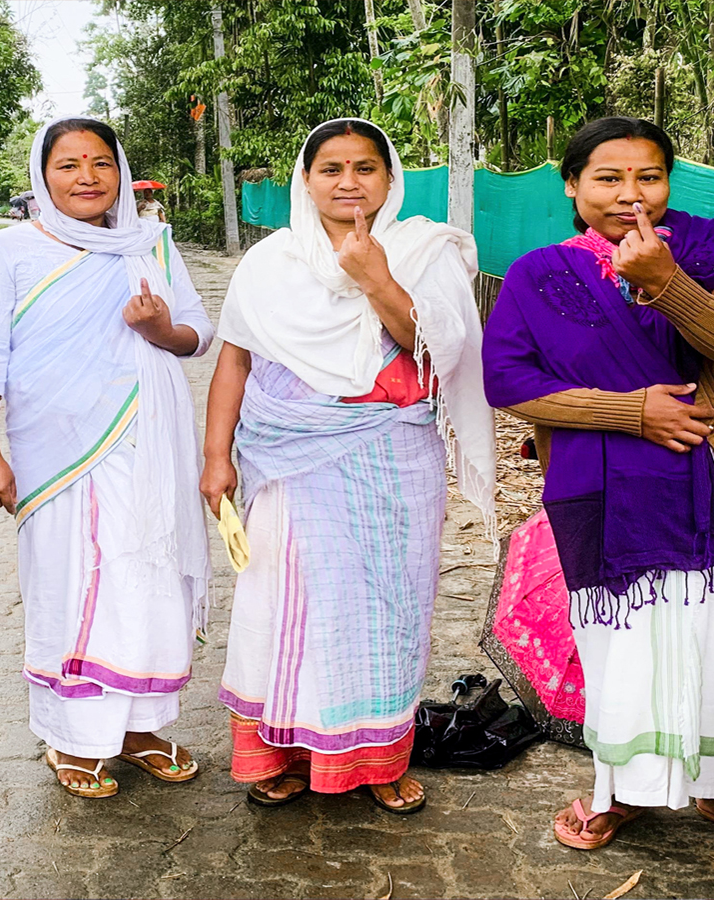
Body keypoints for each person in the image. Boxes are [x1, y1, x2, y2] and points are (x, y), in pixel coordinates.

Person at [482, 116, 714, 864]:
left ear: (670, 181)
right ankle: (621, 791)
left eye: (649, 177)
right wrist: (630, 411)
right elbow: (508, 381)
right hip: (599, 487)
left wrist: (667, 286)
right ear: (571, 185)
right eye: (608, 178)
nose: (631, 195)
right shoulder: (541, 274)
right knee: (619, 647)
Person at [202, 118, 496, 814]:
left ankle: (378, 758)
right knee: (288, 607)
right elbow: (235, 358)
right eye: (330, 168)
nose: (348, 181)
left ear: (390, 179)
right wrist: (216, 456)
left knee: (386, 605)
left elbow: (435, 353)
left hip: (391, 458)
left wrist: (376, 279)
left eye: (365, 167)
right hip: (286, 457)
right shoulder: (271, 261)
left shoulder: (424, 251)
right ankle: (285, 752)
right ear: (305, 181)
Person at [0, 117, 213, 799]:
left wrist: (160, 328)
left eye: (101, 162)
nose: (87, 177)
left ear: (121, 172)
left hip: (150, 446)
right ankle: (72, 738)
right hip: (58, 450)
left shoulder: (150, 243)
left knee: (148, 576)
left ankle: (139, 728)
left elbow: (197, 333)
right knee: (73, 580)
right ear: (43, 176)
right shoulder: (9, 250)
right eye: (68, 164)